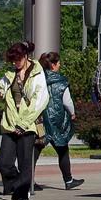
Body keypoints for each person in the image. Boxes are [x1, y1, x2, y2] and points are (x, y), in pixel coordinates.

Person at [0, 41, 49, 200]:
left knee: (25, 163)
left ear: (25, 56)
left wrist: (24, 123)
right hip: (10, 124)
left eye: (16, 60)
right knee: (4, 161)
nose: (14, 64)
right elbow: (3, 91)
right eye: (11, 61)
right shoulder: (10, 74)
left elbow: (41, 100)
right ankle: (20, 188)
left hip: (27, 125)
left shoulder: (37, 73)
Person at [36, 52, 85, 191]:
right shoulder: (61, 81)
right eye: (58, 64)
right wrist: (72, 113)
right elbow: (67, 101)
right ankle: (68, 180)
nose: (58, 66)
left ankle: (27, 180)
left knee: (35, 150)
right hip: (57, 119)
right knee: (62, 149)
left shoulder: (37, 79)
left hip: (40, 119)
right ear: (53, 65)